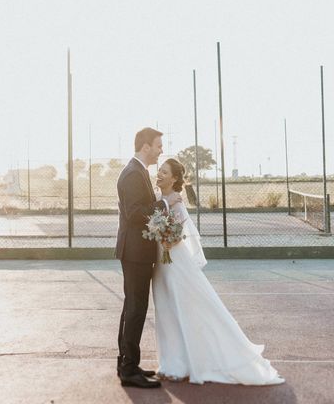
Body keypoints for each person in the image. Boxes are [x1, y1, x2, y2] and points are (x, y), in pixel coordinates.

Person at [152, 158, 284, 385]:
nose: (160, 174)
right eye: (159, 171)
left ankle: (184, 364)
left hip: (175, 264)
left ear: (174, 178)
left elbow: (177, 237)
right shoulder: (157, 200)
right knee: (166, 312)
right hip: (160, 266)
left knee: (184, 310)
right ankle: (171, 363)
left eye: (165, 172)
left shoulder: (177, 204)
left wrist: (165, 237)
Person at [115, 127, 181, 388]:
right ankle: (129, 369)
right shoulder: (132, 173)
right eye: (158, 145)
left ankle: (127, 363)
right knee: (135, 309)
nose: (161, 150)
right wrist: (165, 204)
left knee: (132, 307)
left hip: (136, 252)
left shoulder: (139, 171)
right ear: (145, 146)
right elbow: (135, 213)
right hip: (134, 253)